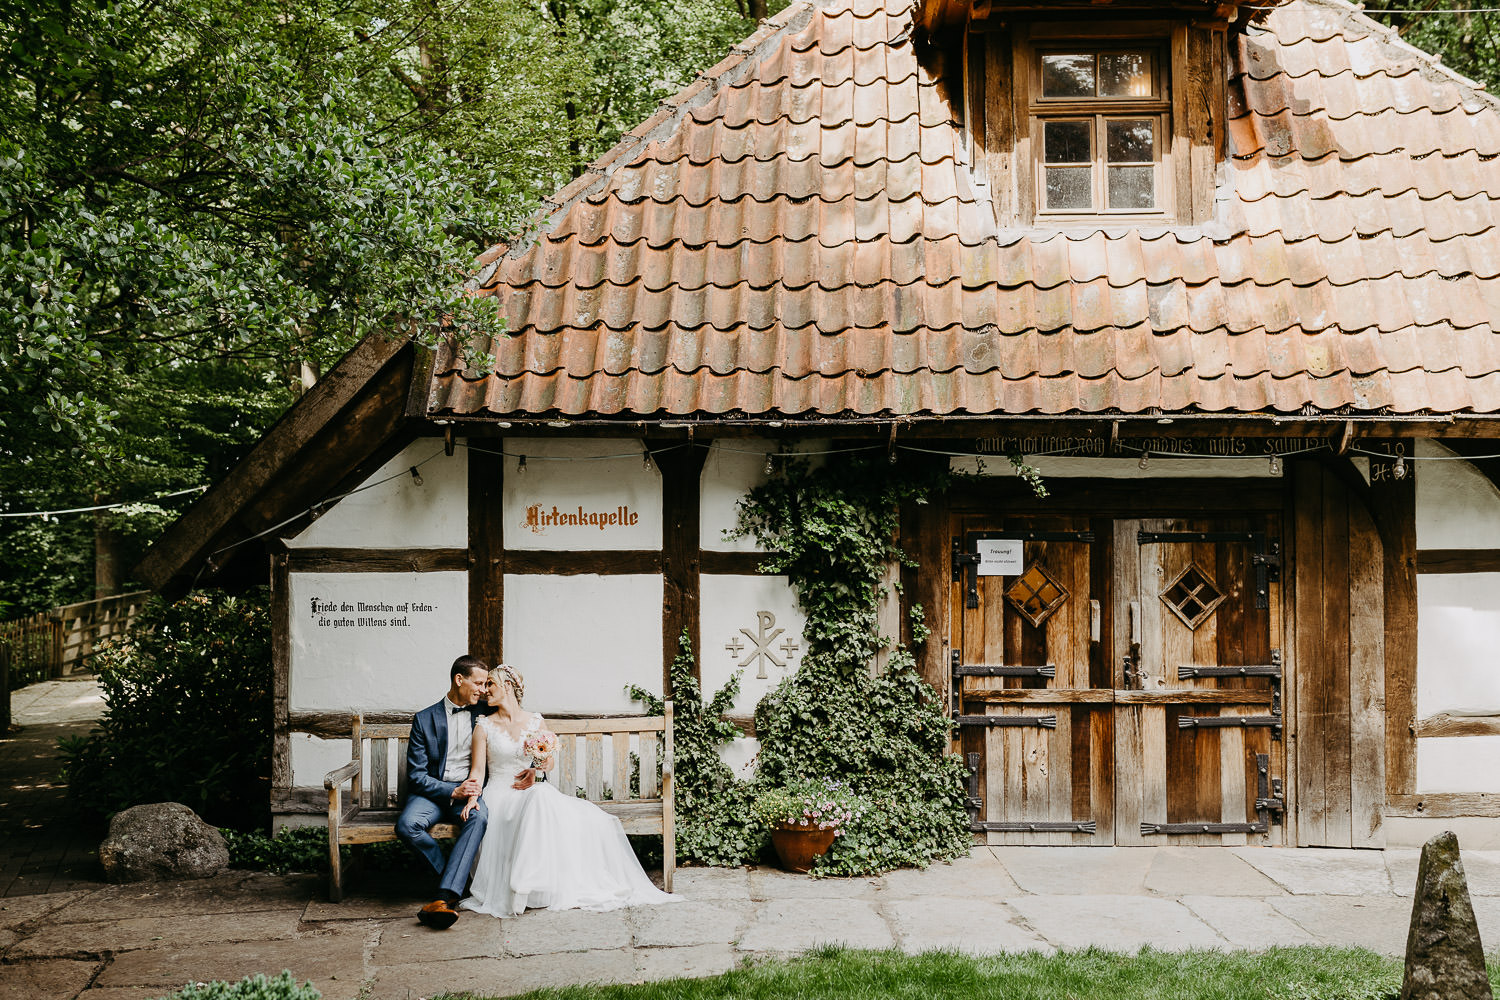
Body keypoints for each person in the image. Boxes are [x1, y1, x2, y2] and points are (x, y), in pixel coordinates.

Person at [457, 663, 680, 916]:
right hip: (498, 794)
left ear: (507, 687)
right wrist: (472, 798)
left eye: (490, 684)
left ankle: (526, 882)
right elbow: (476, 772)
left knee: (543, 795)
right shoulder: (483, 726)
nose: (485, 690)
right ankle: (520, 884)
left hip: (526, 792)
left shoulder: (535, 721)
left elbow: (548, 762)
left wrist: (535, 770)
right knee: (542, 801)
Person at [396, 654, 492, 930]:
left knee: (479, 818)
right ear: (458, 679)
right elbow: (417, 777)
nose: (483, 689)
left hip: (471, 791)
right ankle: (454, 880)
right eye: (479, 683)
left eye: (486, 684)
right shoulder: (425, 719)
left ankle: (444, 896)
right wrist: (453, 791)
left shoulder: (486, 712)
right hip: (432, 793)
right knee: (407, 825)